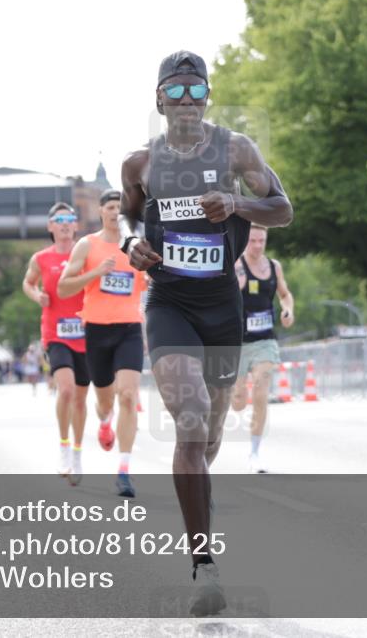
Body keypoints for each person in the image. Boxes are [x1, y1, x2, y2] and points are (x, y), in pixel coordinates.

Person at [119, 51, 293, 616]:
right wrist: (130, 245)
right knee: (189, 421)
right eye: (178, 91)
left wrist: (238, 202)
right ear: (160, 99)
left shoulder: (236, 149)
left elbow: (282, 209)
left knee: (211, 438)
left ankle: (197, 493)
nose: (188, 102)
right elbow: (128, 216)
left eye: (198, 92)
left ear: (207, 98)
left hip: (222, 305)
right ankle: (204, 565)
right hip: (168, 300)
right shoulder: (140, 163)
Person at [58, 189, 149, 497]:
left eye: (121, 208)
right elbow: (64, 287)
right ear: (101, 212)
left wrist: (150, 278)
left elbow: (152, 281)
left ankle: (124, 470)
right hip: (97, 330)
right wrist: (96, 272)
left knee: (127, 395)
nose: (116, 213)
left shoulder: (139, 246)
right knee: (106, 400)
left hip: (130, 329)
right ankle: (105, 419)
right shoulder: (88, 245)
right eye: (111, 207)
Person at [22, 203, 90, 485]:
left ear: (76, 226)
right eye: (59, 220)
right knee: (65, 391)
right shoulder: (41, 258)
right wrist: (36, 295)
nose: (64, 224)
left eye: (69, 219)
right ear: (50, 227)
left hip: (87, 333)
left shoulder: (86, 253)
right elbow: (28, 283)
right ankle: (63, 447)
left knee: (81, 399)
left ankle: (76, 452)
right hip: (56, 333)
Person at [229, 226, 295, 473]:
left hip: (265, 341)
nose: (257, 245)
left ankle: (254, 453)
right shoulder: (237, 267)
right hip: (238, 342)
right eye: (253, 240)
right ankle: (236, 392)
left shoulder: (274, 267)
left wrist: (288, 311)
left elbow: (286, 295)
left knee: (261, 390)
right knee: (237, 402)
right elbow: (225, 299)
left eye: (262, 240)